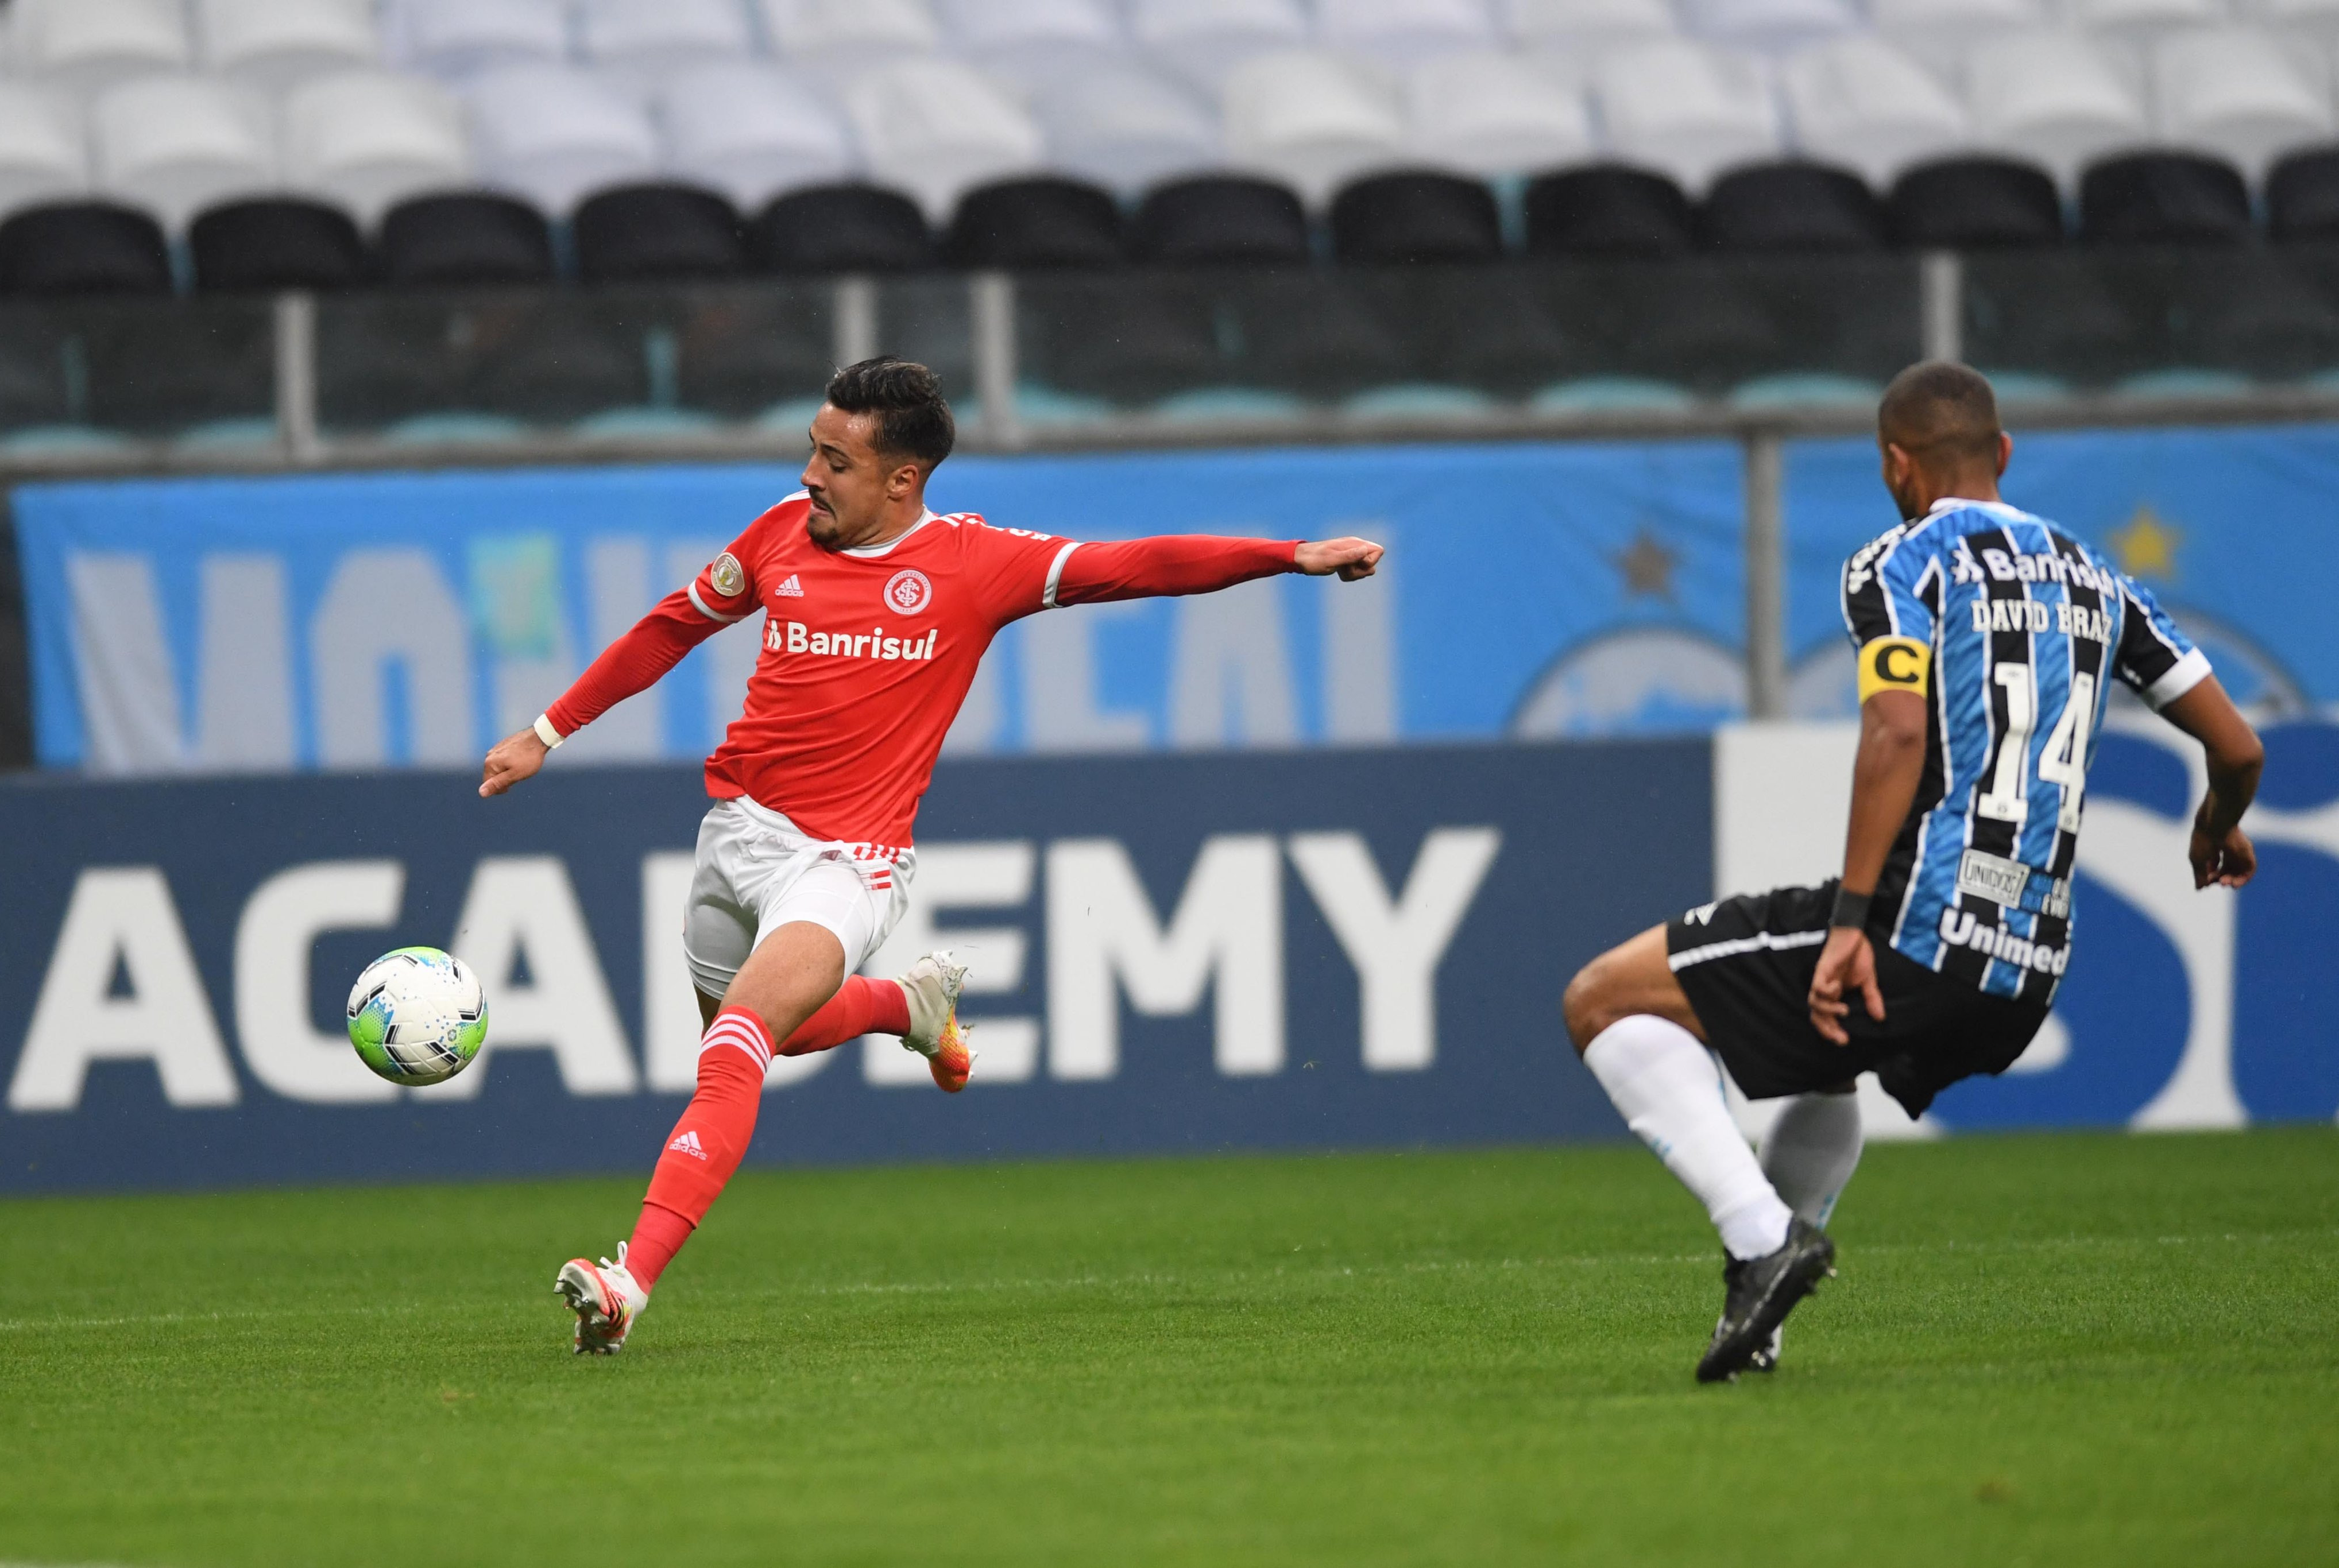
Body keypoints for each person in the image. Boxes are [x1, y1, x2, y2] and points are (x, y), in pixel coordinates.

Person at [478, 358, 1385, 1354]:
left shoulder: (973, 564)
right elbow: (671, 626)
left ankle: (627, 1282)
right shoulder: (782, 531)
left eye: (836, 460)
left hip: (845, 864)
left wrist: (1286, 554)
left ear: (901, 480)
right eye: (812, 450)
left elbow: (1134, 564)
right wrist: (545, 732)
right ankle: (905, 1007)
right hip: (733, 835)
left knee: (733, 1043)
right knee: (773, 1035)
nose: (811, 475)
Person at [1560, 361, 2265, 1383]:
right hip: (2028, 970)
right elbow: (2239, 750)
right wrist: (2218, 824)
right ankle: (1761, 1323)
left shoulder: (1897, 564)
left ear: (1897, 465)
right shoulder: (2101, 582)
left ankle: (1766, 1242)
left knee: (1604, 1000)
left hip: (1919, 928)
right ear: (2005, 456)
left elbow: (1894, 727)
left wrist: (1852, 920)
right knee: (1827, 1053)